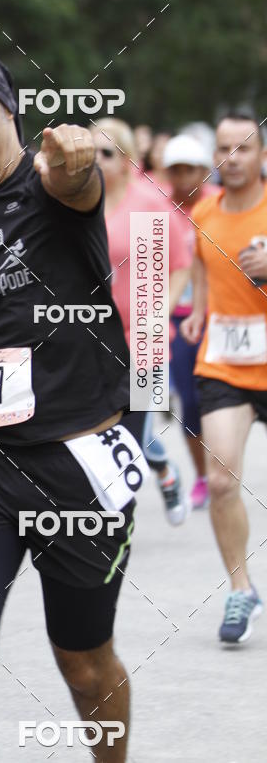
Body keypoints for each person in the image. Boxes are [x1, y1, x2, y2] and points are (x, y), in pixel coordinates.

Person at [0, 51, 148, 763]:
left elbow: (76, 180)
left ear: (11, 108)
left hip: (79, 461)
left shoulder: (54, 187)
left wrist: (74, 159)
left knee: (83, 660)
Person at [181, 112, 267, 644]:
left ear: (261, 156)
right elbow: (199, 263)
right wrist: (198, 308)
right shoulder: (203, 210)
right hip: (224, 364)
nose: (230, 159)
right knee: (219, 480)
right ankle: (240, 589)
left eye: (242, 149)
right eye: (223, 148)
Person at [91, 118, 191, 525]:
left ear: (127, 159)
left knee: (136, 427)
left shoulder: (147, 204)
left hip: (146, 339)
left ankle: (123, 510)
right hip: (96, 335)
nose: (96, 160)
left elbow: (180, 267)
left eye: (107, 153)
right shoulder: (82, 202)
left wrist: (160, 312)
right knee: (107, 428)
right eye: (91, 151)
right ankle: (161, 468)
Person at [162, 134, 218, 508]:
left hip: (221, 318)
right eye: (176, 170)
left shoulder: (219, 203)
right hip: (178, 321)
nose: (184, 177)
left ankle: (222, 467)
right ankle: (201, 475)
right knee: (191, 404)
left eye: (191, 169)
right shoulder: (157, 208)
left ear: (203, 170)